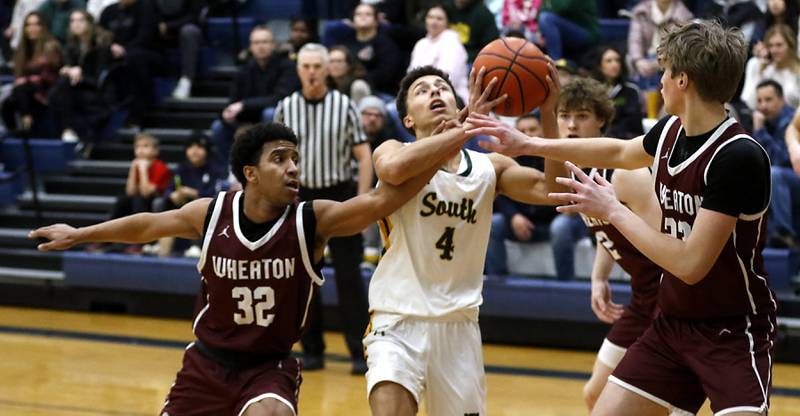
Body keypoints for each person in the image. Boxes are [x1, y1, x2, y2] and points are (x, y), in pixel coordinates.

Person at [29, 121, 449, 416]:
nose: (293, 168)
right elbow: (146, 226)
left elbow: (378, 202)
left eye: (295, 159)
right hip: (206, 364)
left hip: (270, 367)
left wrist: (445, 146)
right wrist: (81, 234)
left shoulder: (311, 220)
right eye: (280, 159)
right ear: (251, 173)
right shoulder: (211, 214)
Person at [469, 20, 777, 415]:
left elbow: (690, 264)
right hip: (673, 323)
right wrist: (530, 142)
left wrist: (611, 208)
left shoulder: (737, 156)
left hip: (732, 330)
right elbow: (617, 152)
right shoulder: (670, 131)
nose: (659, 82)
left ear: (683, 79)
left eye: (665, 72)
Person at [365, 63, 565, 415]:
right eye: (422, 90)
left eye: (441, 87)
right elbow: (392, 171)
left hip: (459, 325)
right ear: (408, 119)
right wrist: (464, 126)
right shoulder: (392, 149)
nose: (435, 92)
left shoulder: (490, 167)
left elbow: (553, 191)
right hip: (397, 319)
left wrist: (547, 112)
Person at [273, 42, 373, 374]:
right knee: (302, 278)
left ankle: (360, 353)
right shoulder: (285, 107)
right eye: (307, 66)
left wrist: (360, 204)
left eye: (318, 65)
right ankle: (311, 350)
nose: (312, 71)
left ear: (328, 69)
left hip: (339, 196)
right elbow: (273, 158)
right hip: (300, 197)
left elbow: (364, 156)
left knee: (349, 278)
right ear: (298, 69)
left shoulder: (345, 105)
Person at [580, 166, 661, 410]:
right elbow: (605, 229)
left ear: (601, 125)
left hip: (670, 298)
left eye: (581, 122)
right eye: (564, 122)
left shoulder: (625, 174)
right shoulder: (574, 174)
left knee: (662, 404)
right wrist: (599, 277)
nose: (571, 124)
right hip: (642, 298)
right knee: (594, 394)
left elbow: (672, 234)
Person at [548, 77, 615, 281]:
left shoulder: (616, 157)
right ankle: (564, 289)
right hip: (580, 221)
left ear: (601, 120)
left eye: (582, 116)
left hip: (616, 225)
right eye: (564, 116)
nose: (572, 125)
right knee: (560, 227)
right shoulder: (552, 156)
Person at [210, 26, 299, 176]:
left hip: (278, 120)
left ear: (273, 44)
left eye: (265, 41)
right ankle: (229, 172)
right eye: (256, 42)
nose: (261, 46)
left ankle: (273, 167)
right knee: (218, 126)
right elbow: (233, 101)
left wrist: (244, 104)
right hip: (249, 121)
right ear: (251, 46)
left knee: (269, 113)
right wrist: (227, 113)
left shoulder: (287, 66)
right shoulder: (244, 69)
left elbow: (279, 98)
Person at [485, 112, 557, 276]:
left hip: (548, 222)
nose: (528, 134)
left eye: (532, 129)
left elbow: (560, 192)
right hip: (518, 221)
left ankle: (566, 284)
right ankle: (498, 281)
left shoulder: (553, 156)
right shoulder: (509, 159)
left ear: (542, 132)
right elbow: (500, 193)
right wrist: (514, 216)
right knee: (494, 223)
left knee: (561, 228)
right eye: (523, 131)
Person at [49, 9, 114, 146]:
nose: (76, 24)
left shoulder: (101, 46)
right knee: (61, 86)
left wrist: (81, 76)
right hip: (74, 89)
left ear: (90, 23)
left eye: (80, 20)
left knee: (60, 91)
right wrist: (68, 70)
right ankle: (68, 131)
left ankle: (67, 130)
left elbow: (101, 79)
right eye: (73, 21)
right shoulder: (71, 46)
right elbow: (67, 66)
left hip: (96, 89)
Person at [154, 134, 226, 257]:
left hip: (203, 206)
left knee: (199, 206)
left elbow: (216, 194)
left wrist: (194, 193)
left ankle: (196, 246)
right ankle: (161, 244)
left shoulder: (214, 169)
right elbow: (168, 189)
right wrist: (173, 195)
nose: (194, 151)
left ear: (207, 151)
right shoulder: (181, 168)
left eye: (199, 147)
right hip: (181, 204)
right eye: (191, 147)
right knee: (159, 203)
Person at [752, 79, 799, 248]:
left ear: (782, 99)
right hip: (781, 181)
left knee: (775, 174)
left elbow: (782, 160)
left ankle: (784, 233)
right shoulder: (766, 122)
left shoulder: (792, 120)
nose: (763, 106)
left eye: (768, 100)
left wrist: (760, 131)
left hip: (794, 176)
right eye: (759, 101)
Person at [1, 11, 62, 135]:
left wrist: (28, 80)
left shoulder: (51, 46)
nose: (32, 28)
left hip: (46, 92)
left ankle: (26, 122)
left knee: (20, 89)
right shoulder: (21, 50)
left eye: (36, 24)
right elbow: (18, 75)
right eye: (28, 25)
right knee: (8, 102)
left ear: (42, 27)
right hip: (26, 94)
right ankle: (14, 132)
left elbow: (50, 77)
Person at [407, 4, 469, 102]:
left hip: (451, 97)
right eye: (430, 17)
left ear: (447, 22)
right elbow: (410, 73)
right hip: (421, 95)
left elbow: (449, 79)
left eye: (439, 19)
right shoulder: (420, 44)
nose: (433, 22)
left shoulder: (452, 43)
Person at [741, 23, 800, 110]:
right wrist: (760, 73)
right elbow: (750, 103)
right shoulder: (759, 66)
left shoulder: (797, 72)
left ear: (790, 46)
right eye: (770, 46)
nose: (774, 50)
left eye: (779, 45)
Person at [590, 45, 644, 140]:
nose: (614, 64)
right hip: (597, 140)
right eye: (609, 61)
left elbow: (633, 123)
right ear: (599, 66)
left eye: (617, 60)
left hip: (626, 141)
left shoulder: (631, 90)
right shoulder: (591, 91)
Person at [156, 0, 206, 100]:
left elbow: (194, 17)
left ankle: (186, 81)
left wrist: (168, 26)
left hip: (186, 28)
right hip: (159, 30)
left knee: (189, 31)